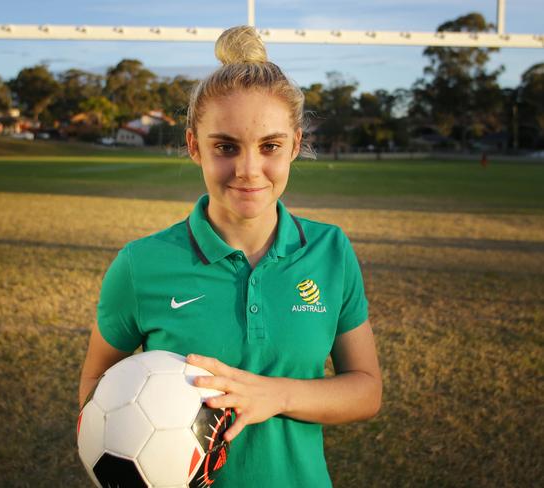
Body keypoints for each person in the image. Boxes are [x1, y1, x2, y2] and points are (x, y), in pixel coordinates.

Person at [78, 25, 382, 488]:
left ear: (295, 146)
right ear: (194, 145)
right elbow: (95, 385)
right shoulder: (142, 264)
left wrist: (276, 395)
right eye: (225, 147)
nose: (248, 170)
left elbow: (366, 389)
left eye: (270, 147)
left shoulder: (330, 250)